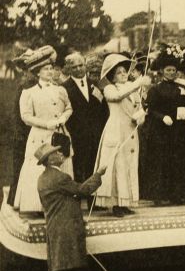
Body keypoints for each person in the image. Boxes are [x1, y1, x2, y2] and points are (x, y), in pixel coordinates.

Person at [35, 143, 107, 271]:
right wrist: (98, 175)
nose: (60, 154)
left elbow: (69, 194)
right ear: (50, 159)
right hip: (65, 228)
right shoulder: (60, 177)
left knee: (61, 268)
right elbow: (83, 190)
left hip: (56, 227)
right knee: (67, 269)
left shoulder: (43, 178)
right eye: (56, 152)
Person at [14, 45, 74, 214]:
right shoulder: (29, 92)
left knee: (62, 165)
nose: (49, 72)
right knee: (39, 169)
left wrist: (63, 118)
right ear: (38, 73)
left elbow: (69, 108)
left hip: (59, 134)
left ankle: (62, 204)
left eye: (50, 68)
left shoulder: (60, 90)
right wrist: (46, 123)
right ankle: (39, 206)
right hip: (40, 135)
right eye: (45, 69)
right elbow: (25, 116)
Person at [94, 54, 150, 217]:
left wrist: (140, 117)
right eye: (118, 72)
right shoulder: (110, 89)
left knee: (129, 165)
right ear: (112, 76)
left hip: (131, 131)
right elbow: (118, 96)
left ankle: (126, 202)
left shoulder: (133, 89)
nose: (123, 74)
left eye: (125, 71)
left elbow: (138, 108)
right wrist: (139, 82)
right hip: (116, 130)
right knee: (116, 166)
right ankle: (116, 204)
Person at [145, 43, 185, 205]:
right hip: (161, 130)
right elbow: (150, 109)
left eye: (173, 70)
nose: (171, 73)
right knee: (161, 161)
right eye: (168, 70)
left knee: (178, 161)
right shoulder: (155, 89)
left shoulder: (182, 87)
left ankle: (177, 194)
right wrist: (162, 117)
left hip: (178, 130)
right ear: (161, 71)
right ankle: (159, 196)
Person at [62, 53, 110, 210]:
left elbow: (103, 109)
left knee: (92, 165)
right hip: (75, 134)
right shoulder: (64, 88)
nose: (78, 69)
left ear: (85, 65)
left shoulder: (94, 84)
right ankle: (75, 202)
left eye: (81, 65)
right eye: (74, 67)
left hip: (95, 134)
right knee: (76, 166)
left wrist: (102, 129)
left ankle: (92, 201)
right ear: (69, 69)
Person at [6, 52, 37, 207]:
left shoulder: (32, 84)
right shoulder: (24, 86)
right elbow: (18, 113)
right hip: (23, 131)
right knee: (21, 165)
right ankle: (15, 200)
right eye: (26, 69)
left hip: (31, 129)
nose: (28, 73)